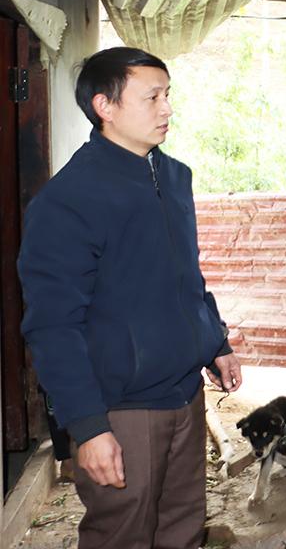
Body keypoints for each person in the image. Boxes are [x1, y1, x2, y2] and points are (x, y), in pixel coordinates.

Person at [18, 47, 242, 549]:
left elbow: (185, 277)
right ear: (105, 106)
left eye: (168, 96)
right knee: (122, 533)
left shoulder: (173, 176)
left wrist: (215, 342)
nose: (167, 109)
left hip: (185, 395)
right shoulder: (68, 201)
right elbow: (52, 324)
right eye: (153, 97)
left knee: (182, 529)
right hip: (124, 407)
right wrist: (89, 427)